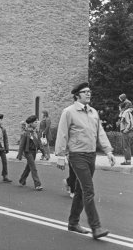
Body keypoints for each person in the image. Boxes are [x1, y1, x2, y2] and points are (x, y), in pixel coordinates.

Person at [55, 82, 116, 240]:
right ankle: (96, 227)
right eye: (85, 92)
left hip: (91, 155)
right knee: (89, 190)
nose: (89, 94)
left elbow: (100, 133)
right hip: (77, 155)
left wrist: (108, 151)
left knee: (81, 191)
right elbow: (62, 133)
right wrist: (61, 155)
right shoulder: (68, 112)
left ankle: (73, 223)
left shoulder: (93, 112)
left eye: (90, 91)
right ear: (77, 95)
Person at [17, 115, 43, 190]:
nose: (37, 123)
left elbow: (39, 143)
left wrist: (44, 153)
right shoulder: (26, 133)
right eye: (35, 122)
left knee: (28, 167)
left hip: (34, 152)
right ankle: (37, 184)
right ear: (30, 123)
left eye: (37, 121)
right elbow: (21, 145)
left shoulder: (36, 132)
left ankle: (22, 180)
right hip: (28, 152)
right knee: (33, 168)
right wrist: (19, 155)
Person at [119, 98, 133, 165]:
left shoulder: (126, 113)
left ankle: (127, 161)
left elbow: (129, 123)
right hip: (126, 132)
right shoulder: (125, 113)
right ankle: (127, 161)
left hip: (127, 132)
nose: (119, 109)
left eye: (119, 108)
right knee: (125, 146)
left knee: (126, 147)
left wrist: (125, 130)